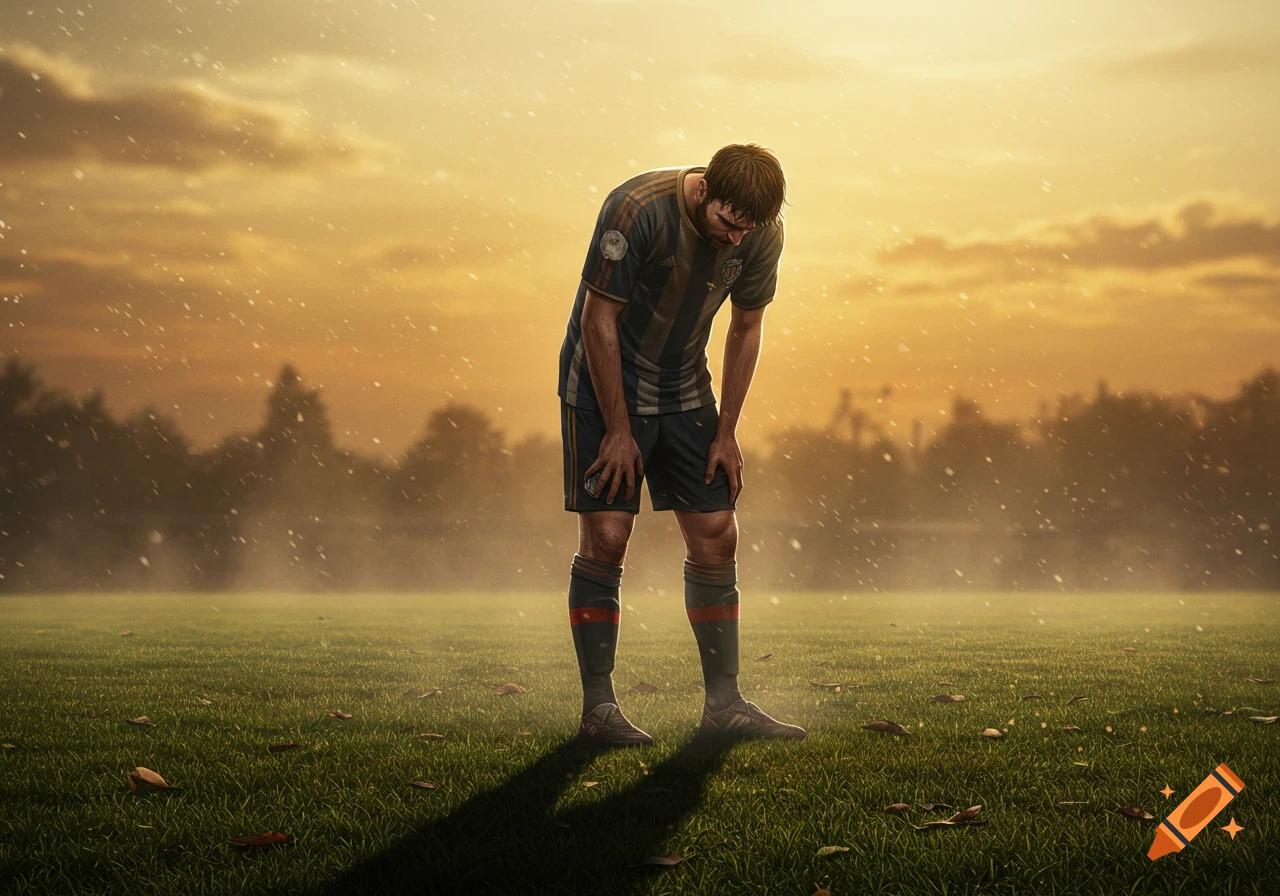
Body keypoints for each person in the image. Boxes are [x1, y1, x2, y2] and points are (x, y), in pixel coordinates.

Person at [557, 143, 805, 746]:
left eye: (746, 230)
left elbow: (747, 327)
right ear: (703, 194)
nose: (733, 240)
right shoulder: (635, 209)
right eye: (725, 223)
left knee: (719, 532)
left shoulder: (758, 232)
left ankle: (724, 706)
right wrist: (618, 429)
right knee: (610, 535)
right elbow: (598, 318)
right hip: (601, 385)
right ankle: (599, 711)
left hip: (685, 389)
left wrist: (727, 432)